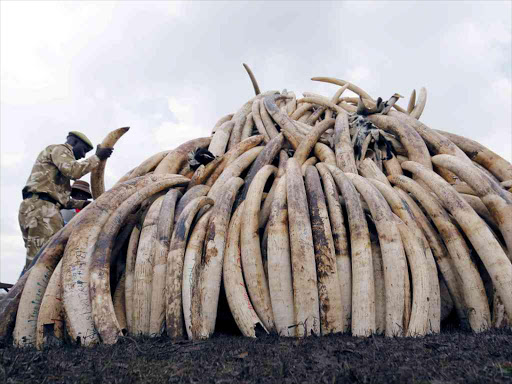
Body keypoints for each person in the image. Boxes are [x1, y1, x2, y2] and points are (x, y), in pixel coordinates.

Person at [18, 131, 113, 270]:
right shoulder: (60, 149)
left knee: (37, 255)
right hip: (42, 210)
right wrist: (97, 157)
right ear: (74, 142)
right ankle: (30, 291)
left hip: (37, 208)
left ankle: (26, 290)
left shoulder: (53, 173)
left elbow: (63, 200)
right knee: (45, 258)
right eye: (84, 150)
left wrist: (85, 204)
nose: (83, 155)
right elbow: (74, 171)